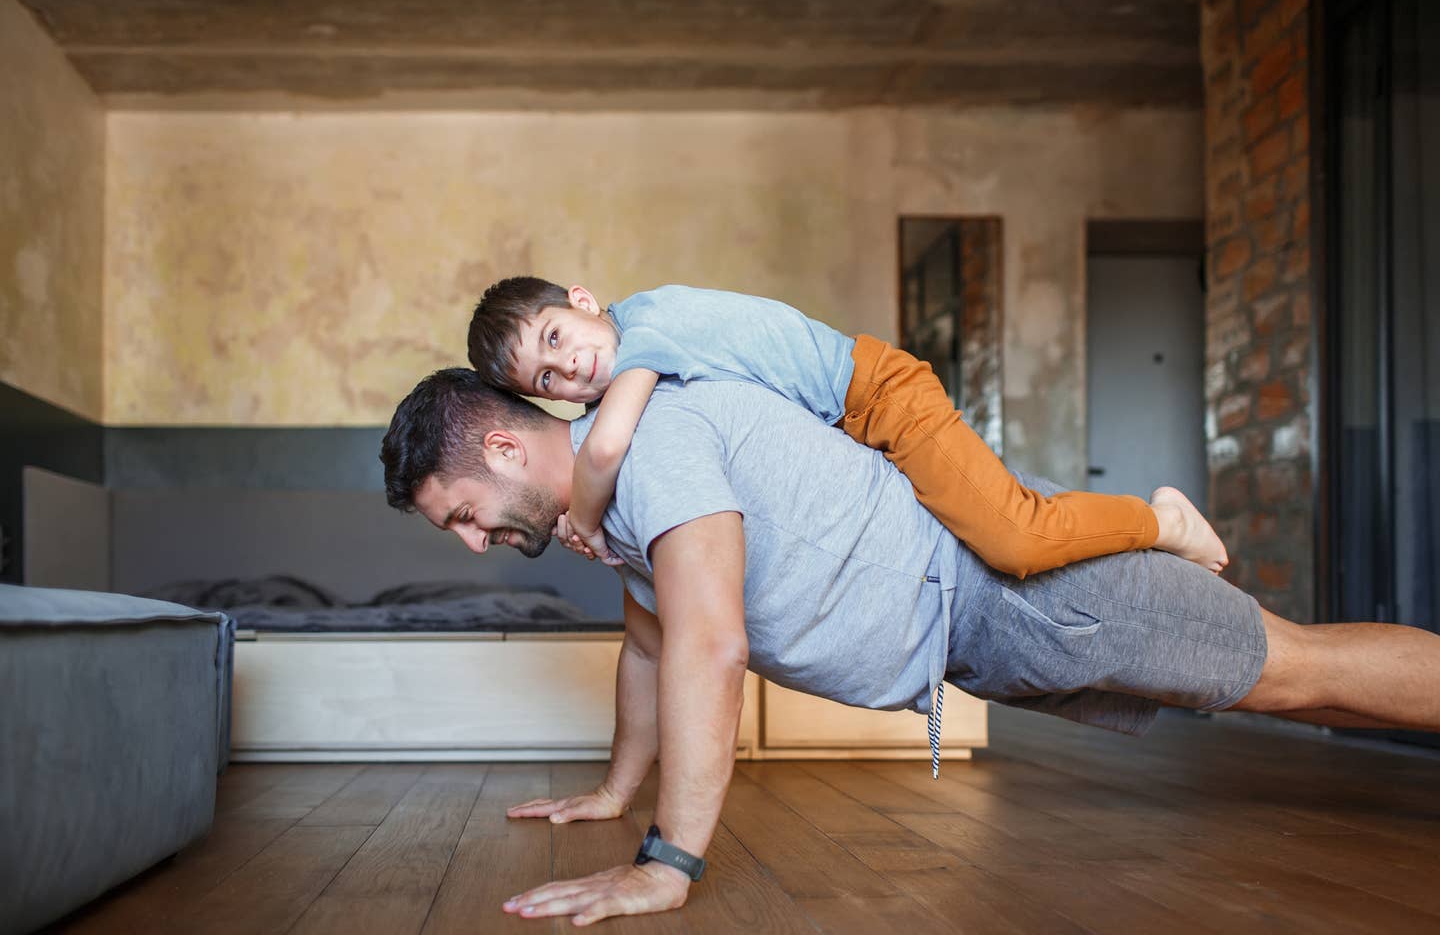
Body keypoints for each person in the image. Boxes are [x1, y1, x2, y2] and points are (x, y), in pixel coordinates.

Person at [379, 368, 1440, 927]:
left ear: (508, 446)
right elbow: (653, 649)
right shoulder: (616, 508)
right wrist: (616, 791)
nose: (478, 542)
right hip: (997, 637)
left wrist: (668, 860)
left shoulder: (654, 451)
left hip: (1032, 598)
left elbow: (709, 646)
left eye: (465, 513)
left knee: (1297, 670)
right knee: (1275, 688)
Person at [465, 278, 1227, 575]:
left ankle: (1160, 521)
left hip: (882, 396)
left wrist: (585, 523)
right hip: (854, 424)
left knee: (1013, 540)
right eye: (548, 381)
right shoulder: (631, 369)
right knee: (995, 514)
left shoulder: (649, 328)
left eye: (558, 340)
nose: (572, 373)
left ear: (583, 300)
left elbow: (602, 448)